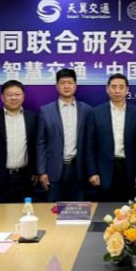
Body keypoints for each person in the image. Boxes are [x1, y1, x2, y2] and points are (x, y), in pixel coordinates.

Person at [86, 74, 136, 202]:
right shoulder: (95, 112)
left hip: (129, 171)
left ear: (127, 90)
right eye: (113, 87)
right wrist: (92, 172)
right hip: (104, 172)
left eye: (121, 87)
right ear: (107, 89)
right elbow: (90, 146)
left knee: (130, 210)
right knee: (104, 210)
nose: (117, 91)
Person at [0, 80, 38, 206]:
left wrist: (36, 171)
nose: (13, 98)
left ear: (23, 96)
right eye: (9, 94)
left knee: (24, 213)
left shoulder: (33, 118)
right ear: (2, 97)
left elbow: (36, 147)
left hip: (25, 178)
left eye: (17, 94)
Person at [36, 68, 91, 202]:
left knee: (77, 210)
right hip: (53, 169)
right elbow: (41, 143)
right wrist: (42, 171)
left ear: (75, 85)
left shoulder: (86, 110)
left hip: (78, 169)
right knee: (51, 210)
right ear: (57, 86)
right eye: (62, 83)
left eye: (70, 83)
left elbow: (91, 142)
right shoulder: (46, 110)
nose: (66, 86)